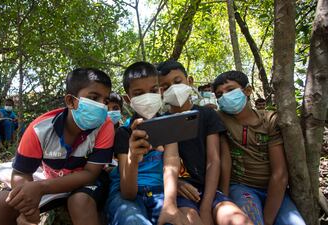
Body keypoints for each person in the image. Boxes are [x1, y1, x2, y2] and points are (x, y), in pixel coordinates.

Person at [0, 68, 115, 225]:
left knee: (80, 201)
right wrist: (29, 207)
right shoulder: (39, 129)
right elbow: (21, 171)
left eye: (106, 101)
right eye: (94, 97)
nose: (102, 106)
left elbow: (90, 173)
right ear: (71, 101)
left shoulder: (105, 126)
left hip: (83, 185)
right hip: (51, 180)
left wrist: (41, 188)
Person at [157, 60, 252, 225]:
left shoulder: (207, 115)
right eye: (165, 87)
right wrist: (176, 184)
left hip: (210, 192)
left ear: (190, 81)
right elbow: (158, 163)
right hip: (180, 194)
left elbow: (214, 160)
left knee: (239, 220)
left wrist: (207, 207)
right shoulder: (159, 122)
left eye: (177, 81)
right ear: (159, 92)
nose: (172, 88)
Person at [212, 70, 305, 225]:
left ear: (248, 90)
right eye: (219, 94)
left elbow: (280, 174)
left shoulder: (269, 120)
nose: (225, 96)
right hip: (241, 188)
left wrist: (268, 220)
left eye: (230, 90)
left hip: (275, 189)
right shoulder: (219, 118)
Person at [106, 61, 188, 225]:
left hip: (161, 193)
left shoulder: (169, 126)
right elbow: (128, 193)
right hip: (127, 198)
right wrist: (133, 157)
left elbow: (171, 163)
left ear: (160, 91)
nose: (148, 97)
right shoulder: (124, 133)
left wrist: (170, 205)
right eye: (139, 93)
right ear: (128, 99)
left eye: (153, 91)